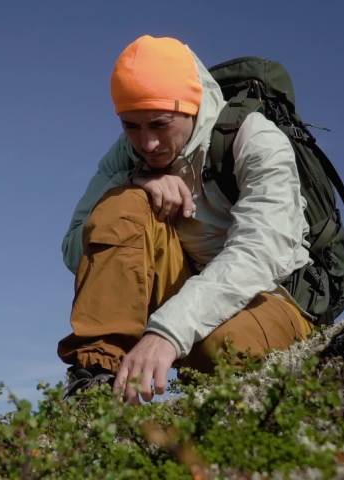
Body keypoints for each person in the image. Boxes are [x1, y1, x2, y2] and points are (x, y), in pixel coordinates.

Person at [57, 35, 315, 405]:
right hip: (187, 286)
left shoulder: (254, 139)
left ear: (192, 107)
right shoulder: (126, 157)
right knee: (122, 204)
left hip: (271, 295)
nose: (146, 144)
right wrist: (137, 181)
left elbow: (260, 254)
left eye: (160, 125)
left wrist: (167, 331)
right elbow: (74, 251)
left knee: (221, 346)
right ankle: (96, 384)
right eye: (131, 126)